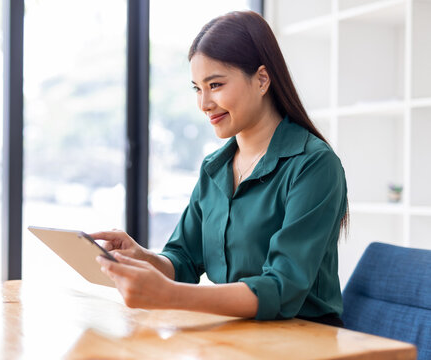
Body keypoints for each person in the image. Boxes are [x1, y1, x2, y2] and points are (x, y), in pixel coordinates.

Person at [92, 10, 348, 327]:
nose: (204, 103)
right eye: (197, 88)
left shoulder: (313, 164)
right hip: (235, 332)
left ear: (262, 79)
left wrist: (169, 295)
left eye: (215, 84)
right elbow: (184, 259)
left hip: (307, 339)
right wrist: (143, 257)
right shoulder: (215, 168)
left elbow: (282, 289)